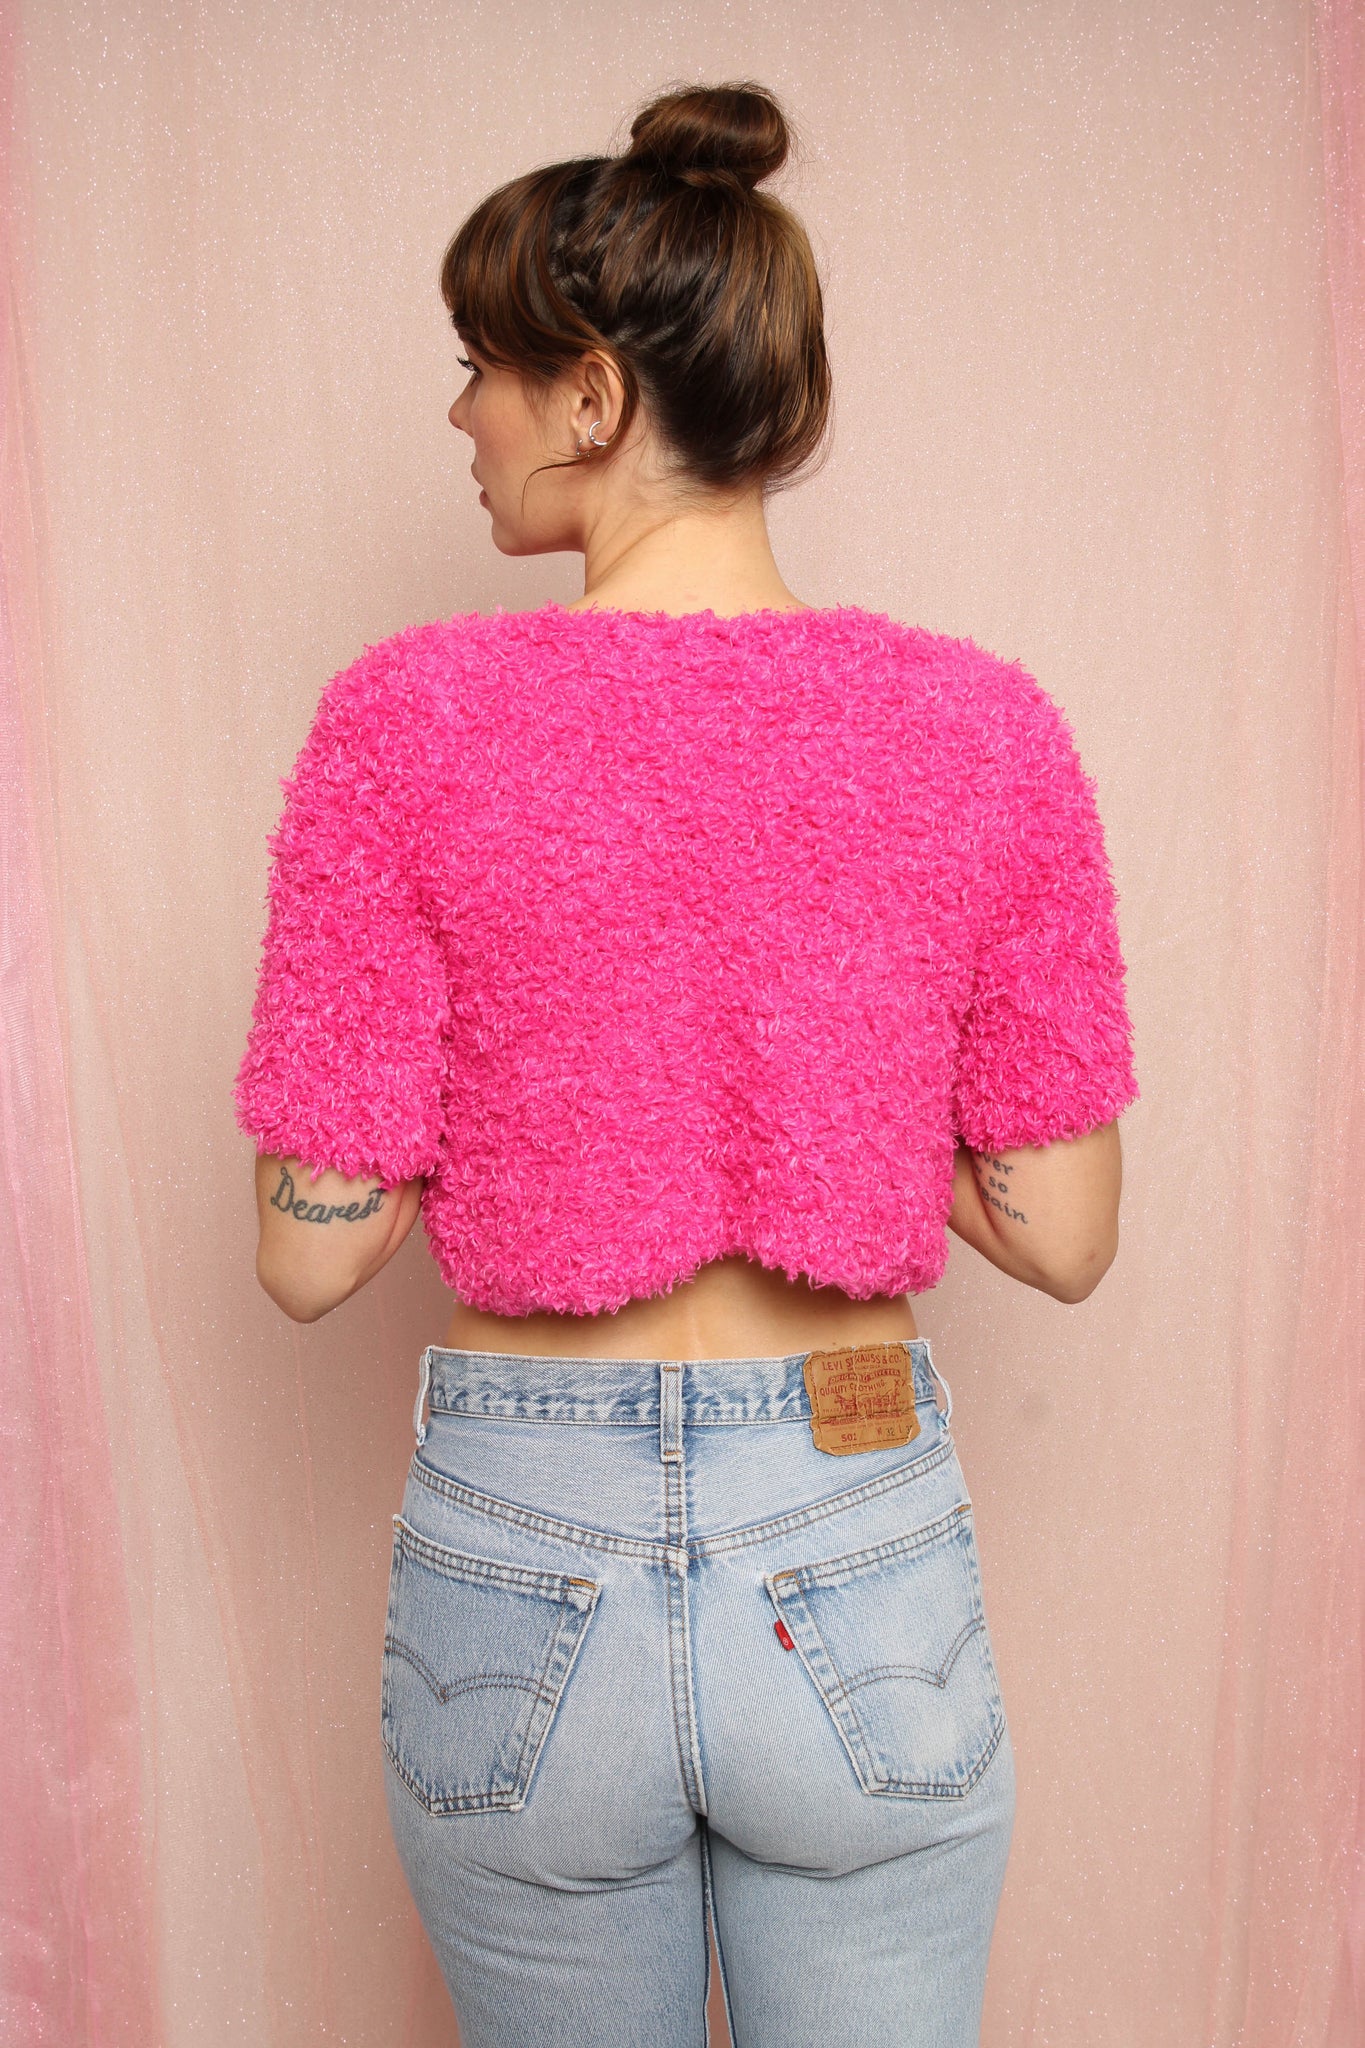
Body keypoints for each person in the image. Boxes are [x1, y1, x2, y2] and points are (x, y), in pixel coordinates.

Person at [233, 78, 1138, 2048]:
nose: (456, 419)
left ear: (589, 395)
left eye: (477, 369)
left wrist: (561, 1071)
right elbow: (1061, 1234)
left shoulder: (403, 723)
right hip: (850, 1503)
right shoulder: (977, 731)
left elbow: (309, 1254)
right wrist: (821, 1084)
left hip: (519, 1543)